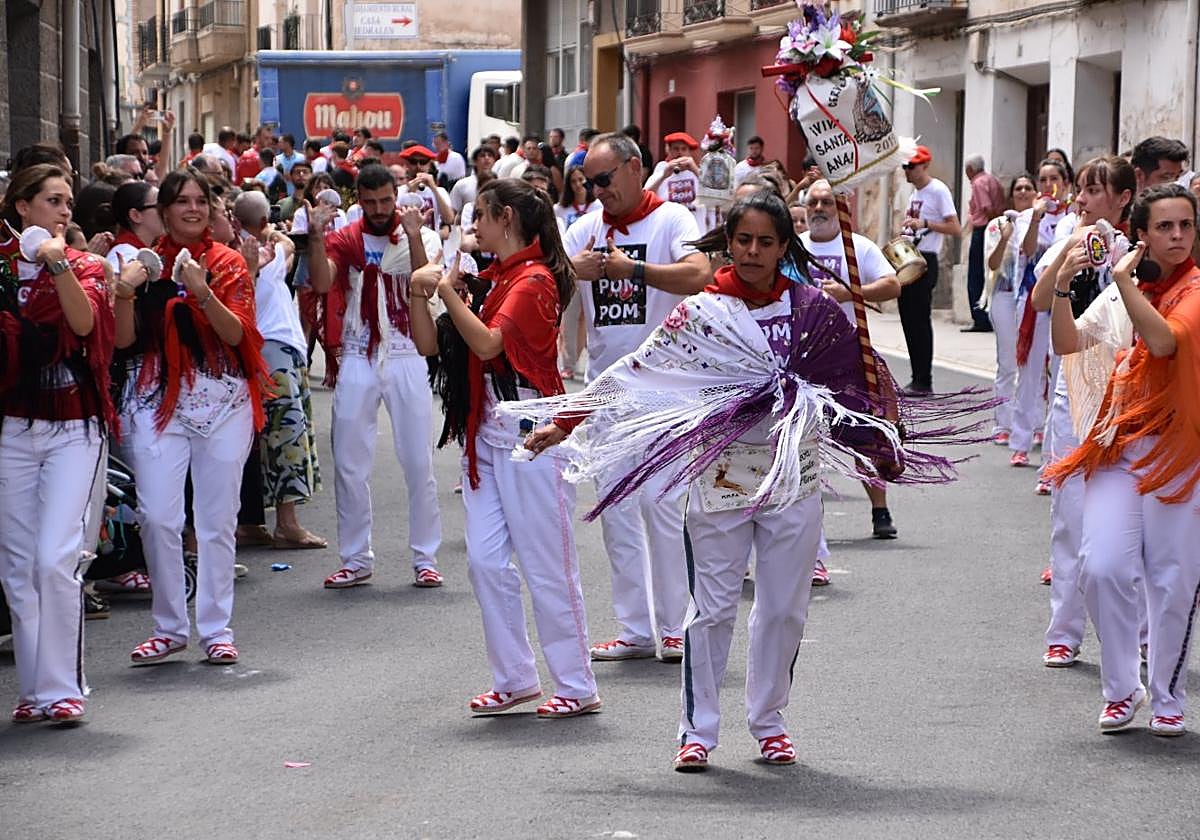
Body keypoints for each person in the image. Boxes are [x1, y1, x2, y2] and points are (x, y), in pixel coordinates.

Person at [518, 191, 972, 770]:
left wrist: (877, 440)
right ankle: (698, 732)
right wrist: (565, 421)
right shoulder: (702, 312)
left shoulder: (813, 309)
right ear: (728, 243)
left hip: (793, 480)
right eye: (743, 240)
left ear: (785, 247)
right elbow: (635, 373)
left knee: (783, 607)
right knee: (711, 610)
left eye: (766, 242)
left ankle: (769, 721)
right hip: (721, 477)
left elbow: (850, 387)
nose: (753, 252)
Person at [411, 177, 600, 718]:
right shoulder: (498, 278)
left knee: (547, 565)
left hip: (533, 433)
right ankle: (515, 677)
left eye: (482, 217)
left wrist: (446, 289)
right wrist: (418, 290)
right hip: (489, 434)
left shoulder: (534, 279)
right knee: (484, 561)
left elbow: (490, 343)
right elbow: (433, 345)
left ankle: (576, 684)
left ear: (506, 220)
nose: (476, 228)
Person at [1046, 183, 1200, 736]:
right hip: (1119, 444)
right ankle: (1121, 688)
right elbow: (1069, 345)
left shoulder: (1195, 291)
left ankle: (1166, 694)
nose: (1177, 236)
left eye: (1186, 225)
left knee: (1171, 579)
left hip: (1179, 451)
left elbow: (1162, 343)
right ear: (1141, 235)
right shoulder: (1126, 291)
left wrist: (1120, 283)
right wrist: (1064, 287)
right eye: (1164, 227)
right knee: (1101, 566)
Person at [561, 132, 710, 662]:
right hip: (607, 390)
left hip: (667, 385)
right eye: (588, 181)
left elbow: (700, 274)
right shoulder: (584, 229)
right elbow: (549, 277)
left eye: (604, 179)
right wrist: (568, 271)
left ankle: (675, 625)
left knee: (662, 503)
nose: (597, 190)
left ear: (633, 168)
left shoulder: (672, 220)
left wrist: (635, 270)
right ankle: (635, 629)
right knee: (618, 508)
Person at [114, 169, 264, 667]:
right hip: (157, 403)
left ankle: (216, 627)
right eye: (182, 202)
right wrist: (126, 292)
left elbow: (240, 335)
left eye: (202, 201)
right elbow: (122, 341)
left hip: (223, 403)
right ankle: (169, 626)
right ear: (165, 210)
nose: (193, 210)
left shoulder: (227, 264)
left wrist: (202, 291)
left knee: (217, 521)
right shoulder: (140, 265)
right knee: (158, 516)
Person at [0, 164, 116, 723]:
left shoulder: (85, 264)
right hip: (13, 428)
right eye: (52, 200)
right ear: (22, 208)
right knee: (18, 568)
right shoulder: (1, 267)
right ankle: (34, 690)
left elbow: (87, 325)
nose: (65, 210)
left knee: (54, 559)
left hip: (74, 428)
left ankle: (63, 686)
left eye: (68, 201)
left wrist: (59, 260)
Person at [306, 164, 445, 590]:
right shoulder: (346, 238)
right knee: (349, 461)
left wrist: (415, 234)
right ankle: (355, 558)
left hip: (405, 350)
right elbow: (321, 280)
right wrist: (313, 235)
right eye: (370, 202)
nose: (379, 209)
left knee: (418, 460)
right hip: (358, 351)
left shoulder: (416, 230)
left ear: (395, 194)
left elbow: (428, 282)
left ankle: (425, 557)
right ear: (358, 202)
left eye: (385, 200)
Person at [1031, 155, 1135, 669]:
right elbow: (1036, 301)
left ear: (1122, 199)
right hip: (1074, 386)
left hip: (1128, 390)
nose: (1083, 199)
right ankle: (1064, 631)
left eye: (1096, 191)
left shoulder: (1137, 250)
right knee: (1069, 515)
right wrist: (1065, 260)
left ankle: (1134, 633)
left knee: (1130, 521)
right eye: (1082, 190)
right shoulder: (1067, 243)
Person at [801, 179, 901, 538]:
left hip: (850, 354)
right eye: (812, 203)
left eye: (826, 202)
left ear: (841, 207)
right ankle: (806, 515)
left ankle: (880, 510)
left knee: (862, 434)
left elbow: (892, 285)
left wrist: (850, 292)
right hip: (804, 358)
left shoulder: (857, 247)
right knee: (802, 437)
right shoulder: (794, 248)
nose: (819, 209)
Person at [233, 191, 325, 550]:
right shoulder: (265, 255)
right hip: (276, 352)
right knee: (288, 438)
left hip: (265, 350)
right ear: (261, 224)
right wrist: (272, 234)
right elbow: (287, 245)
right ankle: (287, 523)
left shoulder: (233, 257)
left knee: (257, 441)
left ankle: (251, 521)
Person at [899, 145, 961, 394]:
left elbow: (955, 227)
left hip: (926, 259)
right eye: (905, 167)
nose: (907, 171)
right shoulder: (914, 194)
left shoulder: (937, 190)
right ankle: (917, 376)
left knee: (920, 320)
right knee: (908, 320)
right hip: (909, 257)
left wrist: (925, 223)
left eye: (910, 166)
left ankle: (924, 379)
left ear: (924, 165)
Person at [982, 174, 1037, 446]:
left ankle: (1034, 422)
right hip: (1004, 296)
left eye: (1029, 187)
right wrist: (1005, 239)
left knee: (1034, 363)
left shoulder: (1044, 223)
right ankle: (1002, 423)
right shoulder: (996, 225)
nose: (1024, 192)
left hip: (1032, 297)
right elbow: (992, 265)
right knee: (1007, 362)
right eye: (1019, 188)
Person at [963, 154, 1006, 332]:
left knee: (976, 275)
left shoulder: (978, 183)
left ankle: (980, 317)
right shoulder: (992, 180)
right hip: (994, 227)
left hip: (983, 230)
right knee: (989, 273)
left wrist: (991, 222)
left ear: (970, 169)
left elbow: (987, 207)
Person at [644, 132, 706, 232]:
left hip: (696, 229)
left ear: (689, 152)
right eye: (676, 149)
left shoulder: (697, 171)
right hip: (668, 229)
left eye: (684, 149)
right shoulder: (662, 168)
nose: (679, 153)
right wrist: (664, 176)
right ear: (668, 150)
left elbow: (712, 191)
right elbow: (645, 196)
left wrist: (694, 169)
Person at [397, 145, 453, 240]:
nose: (418, 166)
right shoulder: (400, 191)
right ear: (407, 165)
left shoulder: (440, 191)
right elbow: (398, 220)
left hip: (431, 245)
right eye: (413, 162)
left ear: (429, 165)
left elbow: (449, 219)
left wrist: (433, 188)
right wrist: (411, 192)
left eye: (423, 162)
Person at [107, 181, 163, 273]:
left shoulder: (137, 251)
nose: (167, 212)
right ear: (135, 215)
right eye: (159, 206)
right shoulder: (125, 254)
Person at [450, 146, 497, 221]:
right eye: (482, 156)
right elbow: (453, 212)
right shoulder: (462, 184)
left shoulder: (499, 184)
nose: (487, 158)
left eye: (490, 155)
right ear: (475, 161)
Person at [278, 160, 312, 224]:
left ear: (312, 176)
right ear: (291, 177)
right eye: (297, 172)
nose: (301, 175)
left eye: (305, 172)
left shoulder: (316, 203)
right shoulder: (281, 204)